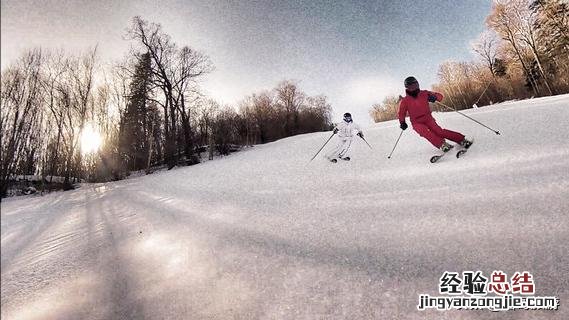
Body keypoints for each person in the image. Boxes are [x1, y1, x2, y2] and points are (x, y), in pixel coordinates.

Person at [398, 76, 472, 152]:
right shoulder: (405, 101)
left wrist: (434, 97)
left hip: (428, 119)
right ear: (407, 87)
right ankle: (442, 144)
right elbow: (401, 113)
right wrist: (402, 122)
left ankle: (461, 140)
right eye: (411, 86)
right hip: (416, 122)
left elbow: (440, 96)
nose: (414, 88)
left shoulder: (424, 93)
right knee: (425, 133)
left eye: (415, 85)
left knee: (439, 132)